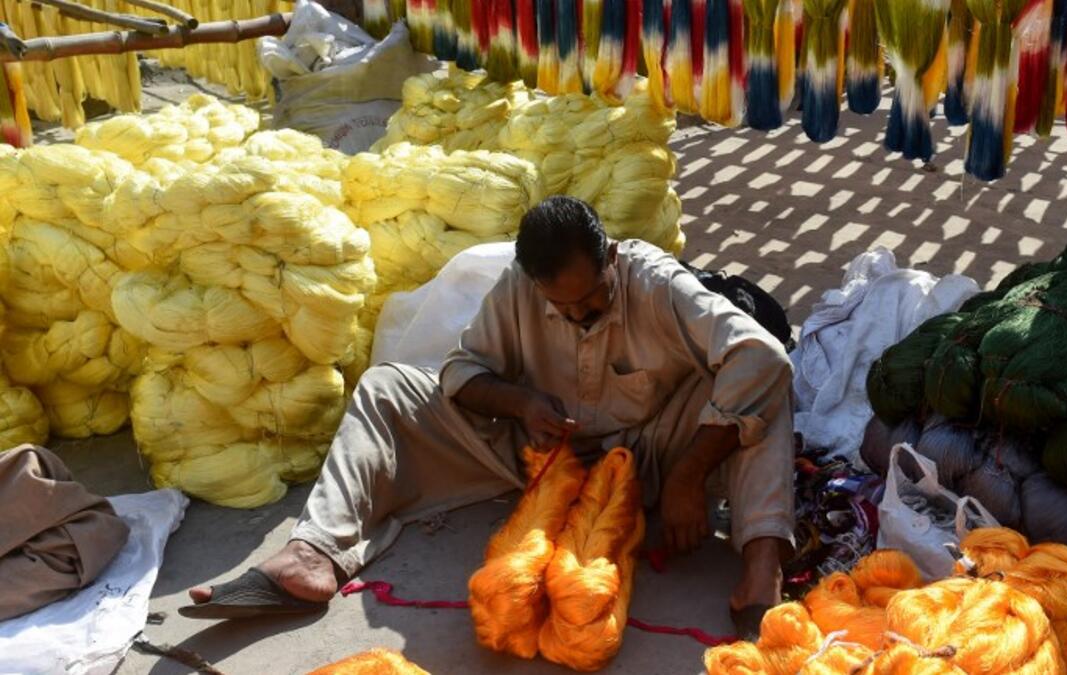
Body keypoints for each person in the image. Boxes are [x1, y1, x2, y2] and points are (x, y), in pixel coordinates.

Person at [182, 196, 796, 638]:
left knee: (762, 390)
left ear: (610, 256)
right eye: (563, 306)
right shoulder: (519, 287)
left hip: (655, 452)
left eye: (592, 298)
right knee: (387, 387)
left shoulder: (655, 282)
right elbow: (460, 372)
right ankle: (314, 553)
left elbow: (760, 357)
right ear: (534, 283)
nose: (580, 315)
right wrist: (522, 404)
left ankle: (761, 572)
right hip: (542, 458)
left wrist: (690, 475)